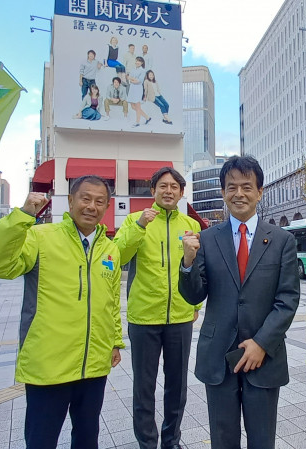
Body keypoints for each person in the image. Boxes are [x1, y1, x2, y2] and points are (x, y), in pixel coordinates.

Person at [0, 176, 124, 449]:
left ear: (106, 206)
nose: (91, 206)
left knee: (87, 438)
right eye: (85, 198)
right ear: (70, 201)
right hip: (48, 364)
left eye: (99, 201)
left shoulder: (109, 250)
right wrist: (22, 217)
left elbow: (111, 302)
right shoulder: (39, 236)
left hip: (94, 364)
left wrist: (115, 341)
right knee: (42, 440)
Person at [178, 156, 300, 449]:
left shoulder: (283, 240)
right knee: (223, 440)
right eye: (231, 187)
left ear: (260, 192)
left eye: (247, 187)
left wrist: (261, 343)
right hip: (218, 355)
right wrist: (187, 262)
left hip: (264, 355)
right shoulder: (206, 239)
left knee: (262, 440)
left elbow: (288, 299)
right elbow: (194, 295)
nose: (239, 194)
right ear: (223, 192)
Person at [113, 167, 201, 449]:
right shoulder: (133, 221)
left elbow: (197, 266)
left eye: (174, 187)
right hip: (144, 317)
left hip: (180, 317)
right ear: (152, 191)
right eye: (163, 186)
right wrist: (139, 226)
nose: (168, 191)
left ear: (181, 193)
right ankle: (147, 442)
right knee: (144, 386)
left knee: (177, 387)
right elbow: (119, 256)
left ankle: (171, 440)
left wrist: (195, 302)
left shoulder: (190, 225)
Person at [127, 57, 151, 127]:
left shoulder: (143, 71)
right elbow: (129, 78)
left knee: (137, 106)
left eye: (139, 61)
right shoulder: (133, 69)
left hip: (138, 89)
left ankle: (137, 122)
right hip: (132, 88)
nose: (137, 62)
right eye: (136, 61)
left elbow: (139, 81)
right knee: (132, 106)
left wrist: (132, 79)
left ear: (142, 63)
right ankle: (147, 117)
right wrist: (132, 79)